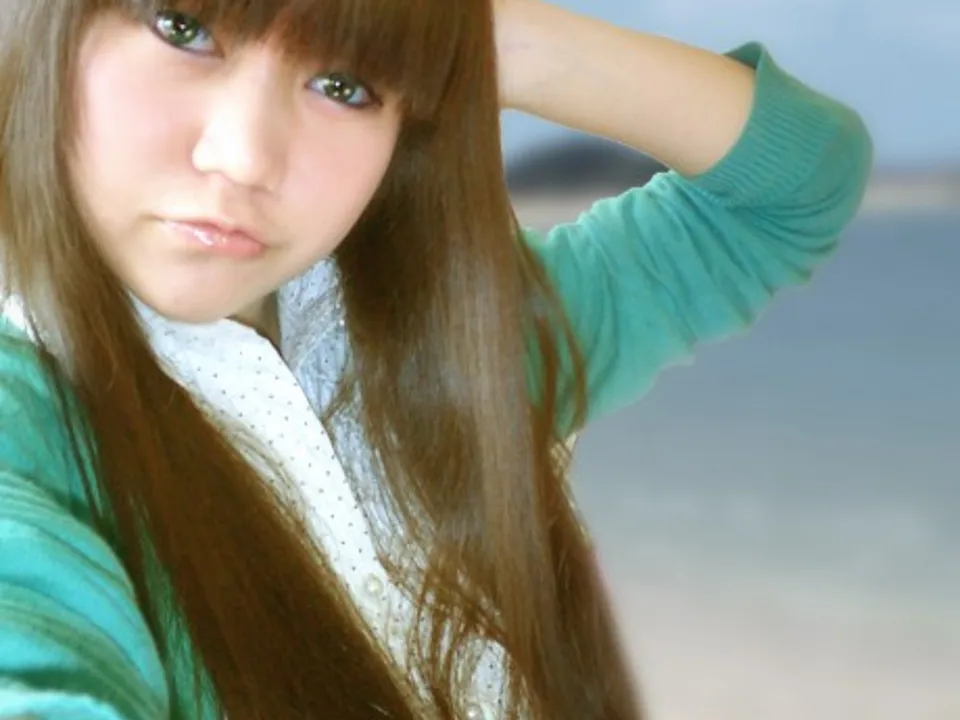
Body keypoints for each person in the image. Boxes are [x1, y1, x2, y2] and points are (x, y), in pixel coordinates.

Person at [0, 0, 872, 718]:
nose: (245, 157)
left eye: (342, 83)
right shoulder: (26, 434)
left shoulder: (442, 342)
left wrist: (469, 36)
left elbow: (796, 187)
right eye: (183, 28)